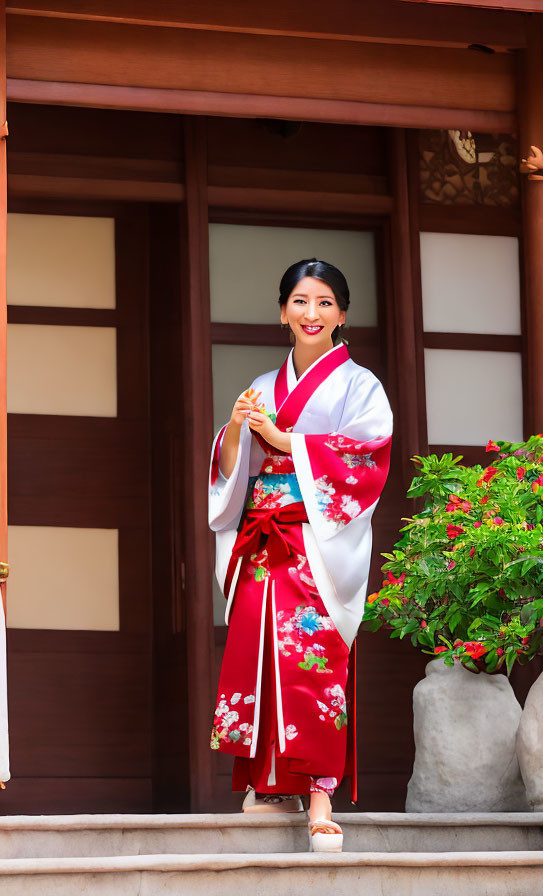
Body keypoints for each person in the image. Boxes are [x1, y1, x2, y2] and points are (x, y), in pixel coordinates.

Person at [208, 258, 392, 852]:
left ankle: (319, 794)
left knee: (311, 656)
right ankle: (266, 787)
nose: (311, 314)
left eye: (324, 303)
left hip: (316, 534)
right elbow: (230, 469)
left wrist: (291, 444)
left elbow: (369, 455)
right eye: (300, 302)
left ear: (342, 314)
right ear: (282, 310)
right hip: (263, 534)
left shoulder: (361, 385)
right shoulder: (262, 385)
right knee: (260, 652)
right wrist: (236, 429)